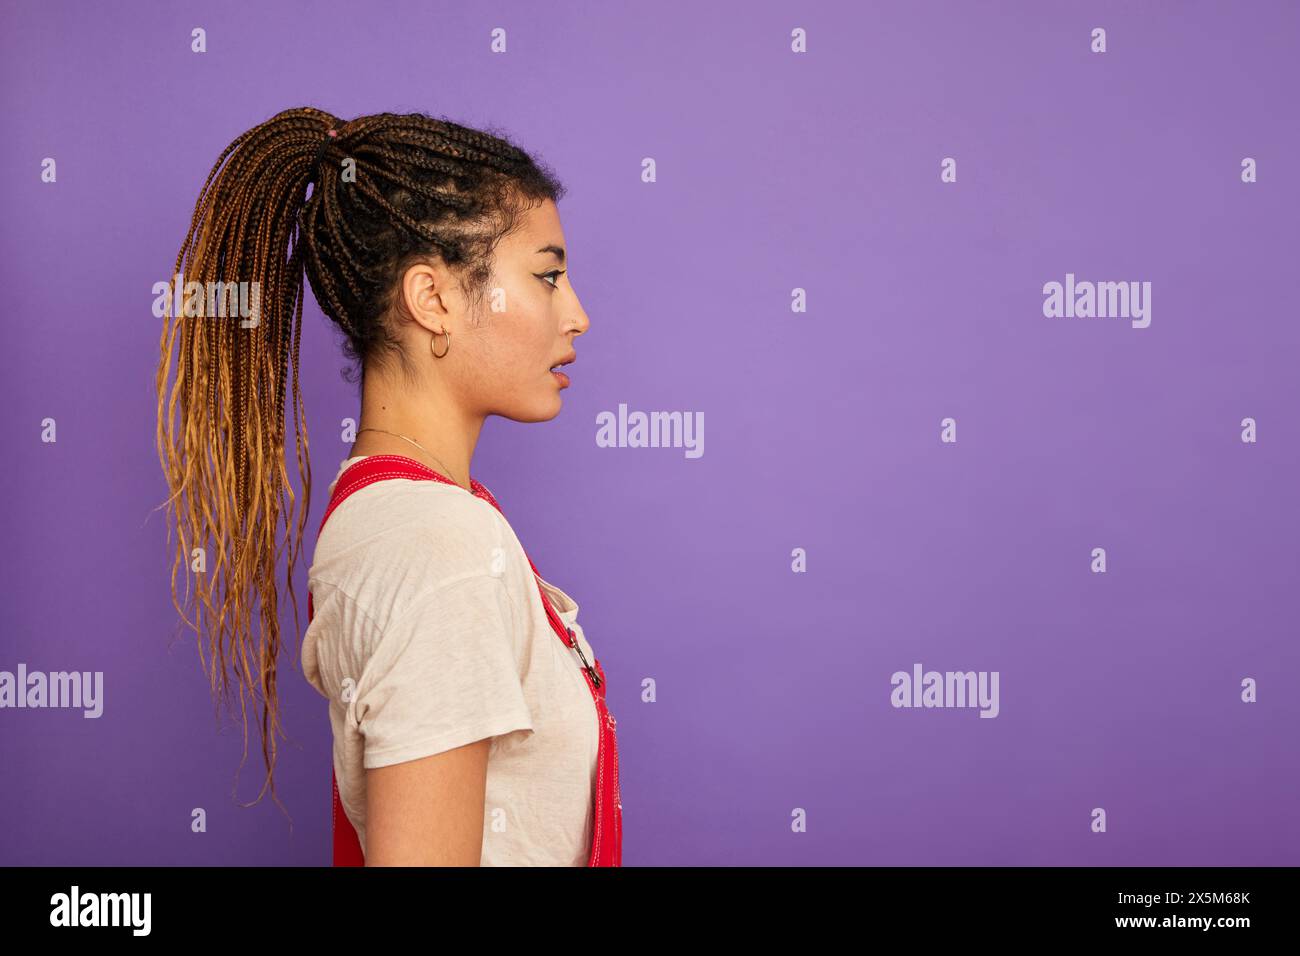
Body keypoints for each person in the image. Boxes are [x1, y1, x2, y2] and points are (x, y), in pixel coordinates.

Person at [154, 106, 621, 866]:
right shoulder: (437, 545)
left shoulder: (408, 517)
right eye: (547, 275)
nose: (577, 315)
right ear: (432, 299)